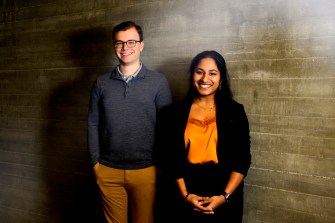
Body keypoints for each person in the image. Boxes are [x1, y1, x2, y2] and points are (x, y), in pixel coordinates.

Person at [87, 21, 172, 223]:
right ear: (114, 46)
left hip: (146, 170)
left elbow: (167, 128)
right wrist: (95, 163)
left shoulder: (158, 82)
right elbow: (93, 123)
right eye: (119, 43)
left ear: (141, 45)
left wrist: (159, 165)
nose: (125, 48)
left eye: (131, 42)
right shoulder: (101, 83)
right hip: (108, 170)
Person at [156, 50, 251, 223]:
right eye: (199, 72)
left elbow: (242, 160)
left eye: (212, 73)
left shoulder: (235, 112)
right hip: (184, 191)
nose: (205, 79)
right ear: (192, 75)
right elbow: (168, 159)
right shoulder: (172, 113)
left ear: (221, 79)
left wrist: (224, 197)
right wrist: (186, 196)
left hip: (224, 192)